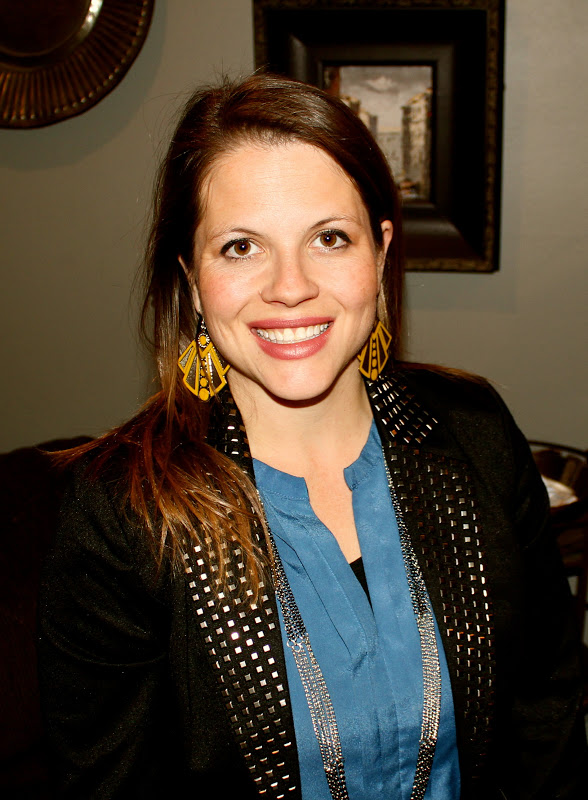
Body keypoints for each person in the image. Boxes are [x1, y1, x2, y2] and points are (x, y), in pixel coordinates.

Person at [38, 73, 586, 800]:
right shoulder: (120, 512)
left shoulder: (477, 436)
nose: (290, 286)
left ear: (380, 252)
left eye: (329, 238)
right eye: (241, 247)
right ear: (193, 277)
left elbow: (546, 719)